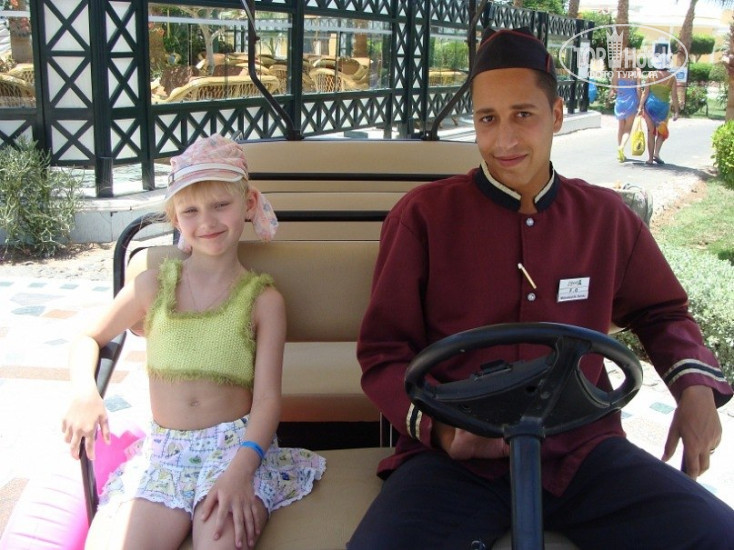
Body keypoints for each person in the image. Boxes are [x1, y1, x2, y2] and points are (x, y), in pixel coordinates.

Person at [352, 27, 734, 549]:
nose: (504, 140)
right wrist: (443, 433)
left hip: (583, 452)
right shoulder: (422, 217)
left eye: (523, 115)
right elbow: (383, 353)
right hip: (456, 460)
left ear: (556, 115)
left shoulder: (605, 218)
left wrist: (694, 390)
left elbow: (661, 312)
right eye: (488, 119)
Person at [62, 135, 325, 549]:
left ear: (248, 204)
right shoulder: (153, 286)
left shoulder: (263, 301)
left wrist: (241, 470)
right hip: (164, 454)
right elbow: (88, 337)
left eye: (221, 204)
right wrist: (85, 393)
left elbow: (267, 401)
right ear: (175, 218)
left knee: (220, 541)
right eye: (191, 210)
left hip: (234, 451)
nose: (207, 221)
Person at [640, 64, 680, 165]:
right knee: (662, 132)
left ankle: (650, 159)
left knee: (650, 132)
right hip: (663, 108)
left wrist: (640, 107)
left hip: (650, 106)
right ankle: (656, 153)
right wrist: (676, 111)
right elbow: (674, 96)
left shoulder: (651, 74)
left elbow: (645, 93)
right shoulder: (672, 77)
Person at [611, 49, 642, 162]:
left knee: (620, 127)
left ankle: (620, 152)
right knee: (628, 129)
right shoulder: (636, 71)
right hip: (632, 101)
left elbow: (614, 88)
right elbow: (638, 89)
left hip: (620, 101)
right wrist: (640, 103)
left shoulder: (617, 72)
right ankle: (621, 147)